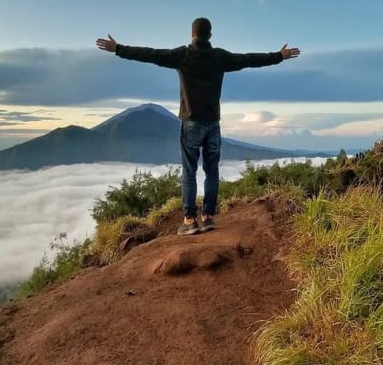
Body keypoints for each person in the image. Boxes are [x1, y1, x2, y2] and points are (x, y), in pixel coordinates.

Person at [96, 17, 300, 236]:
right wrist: (278, 56)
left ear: (192, 34)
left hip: (190, 123)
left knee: (189, 172)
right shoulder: (220, 57)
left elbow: (151, 54)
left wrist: (118, 48)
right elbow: (249, 59)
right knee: (212, 171)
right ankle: (209, 217)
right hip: (213, 124)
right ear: (210, 35)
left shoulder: (182, 55)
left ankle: (189, 220)